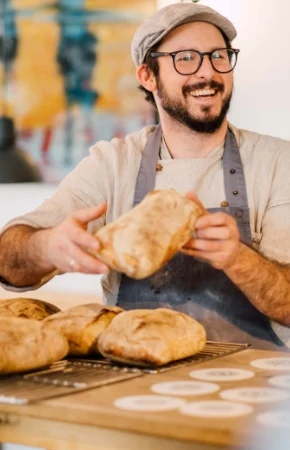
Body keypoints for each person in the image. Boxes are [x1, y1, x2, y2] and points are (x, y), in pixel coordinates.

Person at [0, 2, 290, 349]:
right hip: (135, 383)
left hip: (249, 390)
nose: (208, 73)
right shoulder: (112, 164)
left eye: (218, 55)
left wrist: (238, 258)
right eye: (186, 58)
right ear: (147, 76)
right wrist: (47, 246)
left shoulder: (277, 162)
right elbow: (7, 258)